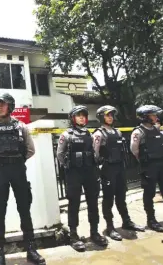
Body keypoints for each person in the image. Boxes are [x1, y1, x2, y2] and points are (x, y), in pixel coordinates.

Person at [0, 93, 45, 265]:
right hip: (1, 171)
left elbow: (30, 149)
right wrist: (4, 161)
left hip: (18, 170)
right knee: (0, 211)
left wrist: (17, 161)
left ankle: (31, 249)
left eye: (3, 104)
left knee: (24, 209)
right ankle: (0, 253)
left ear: (10, 106)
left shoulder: (21, 127)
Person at [57, 105, 108, 251]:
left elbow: (94, 152)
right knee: (74, 204)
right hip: (74, 173)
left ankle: (94, 232)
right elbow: (60, 154)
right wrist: (69, 166)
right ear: (73, 118)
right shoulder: (66, 135)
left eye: (83, 115)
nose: (81, 118)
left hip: (90, 172)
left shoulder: (89, 134)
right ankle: (73, 235)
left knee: (93, 202)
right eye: (78, 115)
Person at [92, 105, 145, 241]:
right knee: (108, 199)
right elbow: (94, 154)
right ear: (101, 117)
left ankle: (126, 221)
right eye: (107, 115)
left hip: (119, 168)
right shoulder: (98, 134)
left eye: (111, 115)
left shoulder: (117, 132)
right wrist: (98, 170)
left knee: (121, 197)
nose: (110, 117)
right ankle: (110, 227)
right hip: (107, 169)